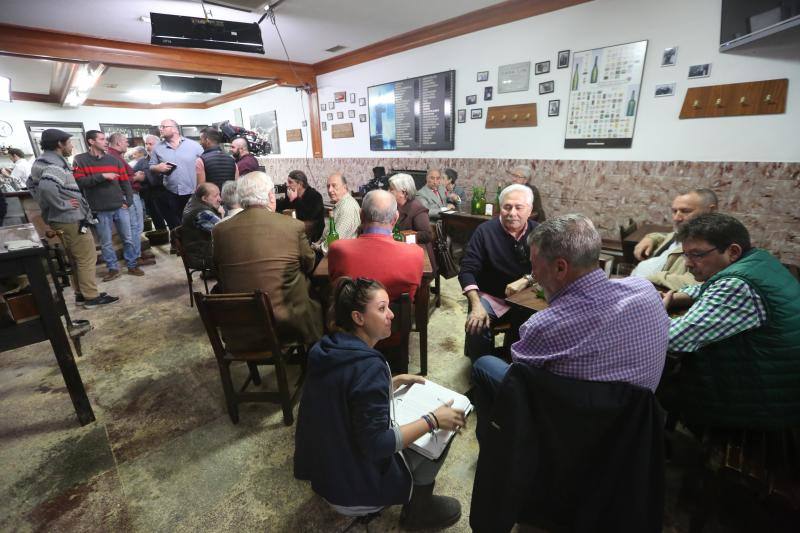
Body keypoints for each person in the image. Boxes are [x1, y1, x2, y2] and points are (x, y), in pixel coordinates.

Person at [471, 214, 669, 439]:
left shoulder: (542, 326)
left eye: (534, 266)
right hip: (632, 426)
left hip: (568, 427)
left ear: (560, 268)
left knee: (484, 364)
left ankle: (496, 444)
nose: (533, 275)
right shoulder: (646, 290)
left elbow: (518, 381)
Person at [294, 277, 465, 530]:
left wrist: (389, 383)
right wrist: (433, 420)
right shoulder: (369, 367)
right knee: (442, 433)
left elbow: (344, 398)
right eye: (382, 308)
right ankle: (418, 511)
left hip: (326, 479)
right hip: (354, 493)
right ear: (358, 318)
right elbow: (376, 445)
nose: (391, 314)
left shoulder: (326, 349)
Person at [662, 213, 800, 430]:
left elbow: (670, 339)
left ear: (733, 251)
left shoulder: (737, 285)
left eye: (696, 255)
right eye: (685, 255)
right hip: (777, 386)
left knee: (649, 385)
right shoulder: (758, 260)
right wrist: (674, 297)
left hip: (760, 404)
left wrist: (653, 312)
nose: (688, 264)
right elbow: (709, 288)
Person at [213, 172, 322, 346]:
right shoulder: (293, 226)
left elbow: (218, 271)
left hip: (240, 325)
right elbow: (309, 264)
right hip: (286, 323)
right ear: (271, 196)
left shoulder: (220, 230)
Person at [26, 129, 118, 308]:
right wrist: (63, 204)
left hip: (61, 218)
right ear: (59, 144)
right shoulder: (54, 163)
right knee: (87, 257)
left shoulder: (41, 161)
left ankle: (81, 293)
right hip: (69, 218)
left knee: (76, 258)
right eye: (69, 143)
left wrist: (47, 205)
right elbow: (46, 188)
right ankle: (91, 297)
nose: (71, 146)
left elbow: (31, 183)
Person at [459, 184, 538, 361]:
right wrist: (476, 304)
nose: (512, 213)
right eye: (507, 207)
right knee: (477, 324)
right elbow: (467, 270)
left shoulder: (539, 232)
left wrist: (527, 279)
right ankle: (481, 366)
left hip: (526, 298)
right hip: (491, 297)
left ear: (530, 209)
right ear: (500, 208)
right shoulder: (484, 231)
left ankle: (514, 366)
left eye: (519, 207)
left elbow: (549, 269)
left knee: (536, 327)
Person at [328, 189, 424, 301]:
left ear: (361, 215)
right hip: (395, 312)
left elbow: (334, 284)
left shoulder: (337, 249)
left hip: (351, 311)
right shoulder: (415, 253)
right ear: (395, 219)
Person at [73, 130, 141, 280]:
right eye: (102, 139)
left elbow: (125, 181)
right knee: (106, 242)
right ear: (91, 141)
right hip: (99, 209)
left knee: (128, 238)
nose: (106, 142)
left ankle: (132, 265)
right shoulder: (80, 160)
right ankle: (113, 269)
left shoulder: (114, 160)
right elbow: (80, 182)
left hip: (119, 206)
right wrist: (102, 176)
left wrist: (128, 200)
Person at [631, 188, 718, 291]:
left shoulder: (714, 245)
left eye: (685, 211)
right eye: (674, 211)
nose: (676, 218)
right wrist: (651, 238)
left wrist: (646, 279)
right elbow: (669, 235)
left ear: (711, 210)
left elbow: (701, 283)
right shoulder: (686, 233)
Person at [107, 133, 154, 267]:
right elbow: (117, 179)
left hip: (130, 193)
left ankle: (136, 254)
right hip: (128, 194)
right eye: (125, 141)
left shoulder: (116, 156)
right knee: (134, 227)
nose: (128, 144)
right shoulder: (113, 157)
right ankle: (135, 257)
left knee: (135, 227)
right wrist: (136, 178)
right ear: (118, 143)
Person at [149, 118, 204, 229]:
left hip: (193, 193)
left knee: (196, 222)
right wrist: (157, 168)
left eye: (163, 127)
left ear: (175, 129)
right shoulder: (157, 148)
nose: (160, 129)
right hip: (171, 193)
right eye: (160, 127)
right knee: (177, 225)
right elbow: (151, 166)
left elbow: (205, 163)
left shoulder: (194, 146)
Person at [389, 173, 436, 273]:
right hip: (403, 252)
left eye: (392, 189)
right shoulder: (396, 205)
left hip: (419, 259)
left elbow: (427, 235)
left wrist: (400, 236)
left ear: (403, 193)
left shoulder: (417, 208)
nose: (388, 192)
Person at [312, 172, 360, 256]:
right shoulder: (341, 204)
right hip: (331, 252)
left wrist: (316, 247)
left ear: (344, 187)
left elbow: (333, 243)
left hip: (338, 256)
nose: (330, 190)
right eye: (328, 186)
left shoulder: (347, 207)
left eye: (334, 186)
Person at [181, 183, 223, 274]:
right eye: (215, 196)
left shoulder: (194, 201)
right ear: (204, 198)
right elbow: (223, 230)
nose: (220, 199)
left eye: (219, 194)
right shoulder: (202, 213)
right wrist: (221, 214)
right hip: (202, 257)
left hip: (200, 251)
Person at [276, 170, 325, 242]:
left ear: (300, 184)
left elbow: (308, 216)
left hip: (313, 233)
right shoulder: (291, 195)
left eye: (290, 182)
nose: (288, 185)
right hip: (294, 230)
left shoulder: (315, 196)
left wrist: (295, 200)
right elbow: (280, 207)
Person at [134, 134, 168, 232]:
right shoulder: (142, 162)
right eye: (146, 144)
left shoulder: (165, 158)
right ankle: (163, 237)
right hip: (150, 196)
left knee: (173, 220)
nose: (148, 146)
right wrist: (139, 178)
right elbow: (132, 175)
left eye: (151, 144)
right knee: (158, 224)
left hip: (166, 194)